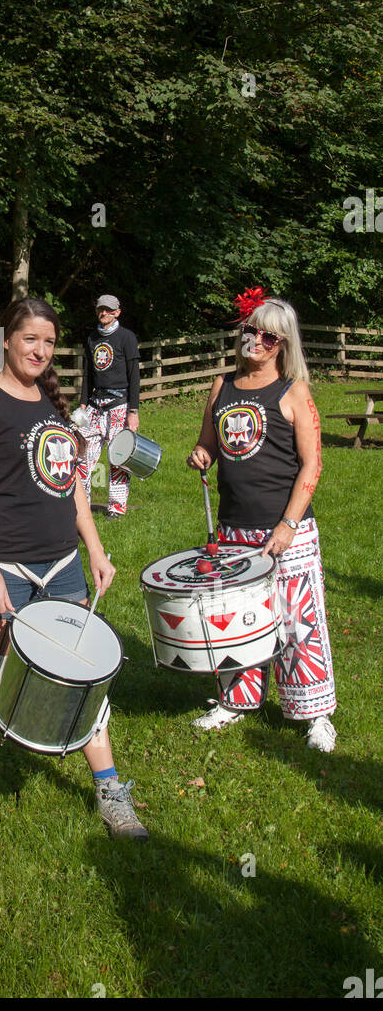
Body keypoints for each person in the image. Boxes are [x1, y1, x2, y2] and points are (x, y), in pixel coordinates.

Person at [0, 297, 148, 857]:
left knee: (83, 677)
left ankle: (110, 789)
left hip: (64, 567)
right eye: (30, 339)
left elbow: (72, 484)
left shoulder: (55, 407)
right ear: (6, 340)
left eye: (48, 342)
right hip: (7, 570)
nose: (40, 350)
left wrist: (95, 548)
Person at [186, 290, 336, 750]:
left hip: (285, 530)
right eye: (250, 330)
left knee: (296, 618)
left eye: (268, 336)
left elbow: (312, 464)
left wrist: (288, 525)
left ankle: (315, 715)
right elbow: (209, 442)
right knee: (239, 618)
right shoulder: (222, 386)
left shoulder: (294, 393)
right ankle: (236, 700)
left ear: (283, 344)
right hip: (233, 528)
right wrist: (201, 454)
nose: (255, 340)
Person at [78, 295, 141, 518]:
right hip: (96, 404)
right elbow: (87, 374)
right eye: (100, 310)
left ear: (117, 312)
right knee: (82, 454)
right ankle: (81, 506)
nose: (104, 313)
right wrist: (83, 406)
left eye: (108, 310)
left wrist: (133, 411)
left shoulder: (127, 337)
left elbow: (134, 376)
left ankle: (116, 508)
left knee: (118, 457)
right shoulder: (93, 338)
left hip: (120, 406)